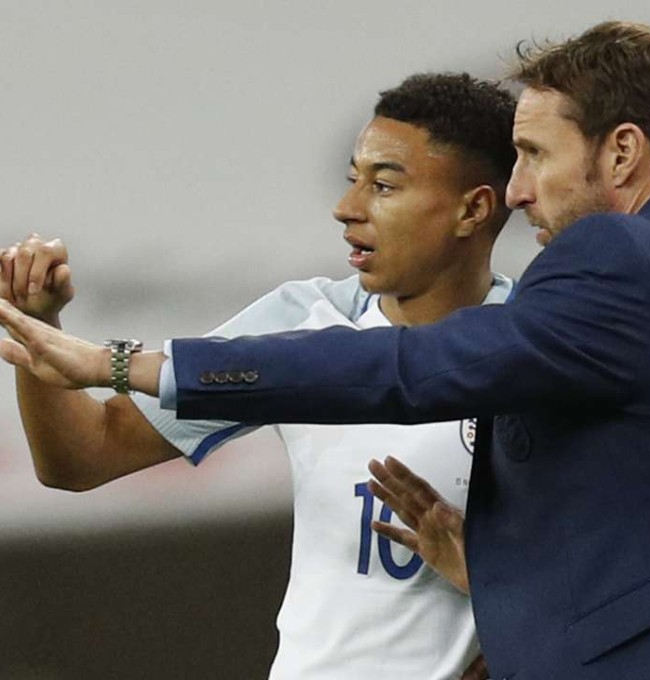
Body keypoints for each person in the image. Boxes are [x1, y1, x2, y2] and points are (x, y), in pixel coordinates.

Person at [3, 21, 650, 679]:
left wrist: (124, 356)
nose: (530, 187)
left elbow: (410, 369)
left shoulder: (613, 271)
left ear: (618, 153)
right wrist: (493, 565)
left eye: (537, 154)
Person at [0, 72, 516, 680]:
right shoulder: (302, 320)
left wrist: (493, 597)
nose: (347, 208)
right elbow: (83, 459)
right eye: (353, 179)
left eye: (383, 185)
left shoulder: (544, 350)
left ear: (473, 208)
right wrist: (35, 329)